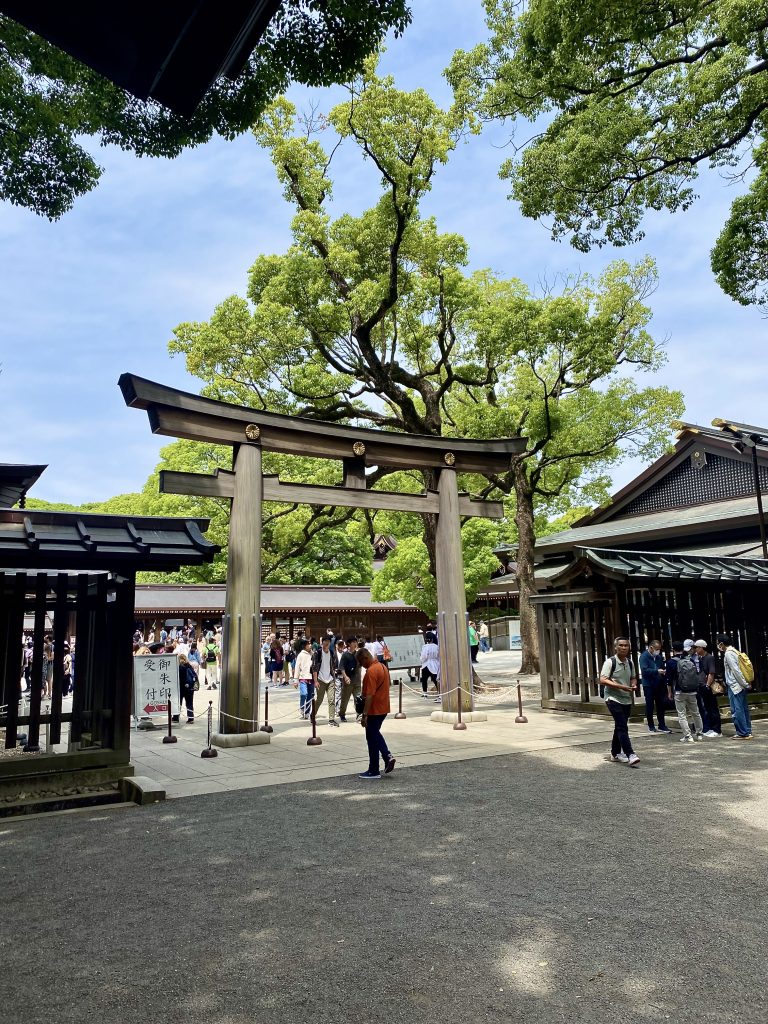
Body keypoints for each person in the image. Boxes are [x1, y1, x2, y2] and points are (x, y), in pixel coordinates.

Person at [600, 637, 640, 767]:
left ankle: (615, 753)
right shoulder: (610, 662)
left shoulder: (630, 662)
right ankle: (630, 754)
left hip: (626, 698)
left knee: (620, 725)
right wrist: (621, 687)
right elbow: (603, 679)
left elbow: (633, 677)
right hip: (613, 698)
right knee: (623, 726)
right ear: (616, 647)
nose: (624, 648)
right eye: (621, 645)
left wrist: (633, 685)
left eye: (626, 645)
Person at [356, 647, 395, 779]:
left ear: (365, 658)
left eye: (361, 662)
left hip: (374, 709)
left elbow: (370, 695)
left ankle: (380, 762)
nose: (361, 665)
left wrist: (364, 715)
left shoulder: (371, 671)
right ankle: (378, 764)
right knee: (374, 735)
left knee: (372, 736)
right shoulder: (383, 667)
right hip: (384, 706)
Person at [716, 634, 753, 740]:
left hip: (735, 685)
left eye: (718, 643)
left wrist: (744, 683)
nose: (718, 645)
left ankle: (742, 732)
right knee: (743, 708)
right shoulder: (735, 651)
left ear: (721, 643)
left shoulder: (728, 654)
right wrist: (745, 683)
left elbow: (736, 671)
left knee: (737, 710)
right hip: (740, 684)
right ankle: (747, 730)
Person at [665, 641, 704, 742]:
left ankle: (688, 736)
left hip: (679, 691)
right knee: (695, 712)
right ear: (683, 649)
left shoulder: (671, 662)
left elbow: (669, 680)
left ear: (673, 649)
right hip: (692, 690)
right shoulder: (689, 659)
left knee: (682, 714)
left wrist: (669, 692)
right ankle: (699, 733)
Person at [639, 639, 671, 734]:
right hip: (648, 684)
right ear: (651, 648)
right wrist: (656, 671)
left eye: (659, 649)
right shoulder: (644, 657)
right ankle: (651, 725)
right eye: (656, 649)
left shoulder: (659, 657)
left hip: (659, 683)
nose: (658, 651)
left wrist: (664, 672)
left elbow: (662, 667)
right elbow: (644, 671)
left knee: (661, 705)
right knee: (650, 705)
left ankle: (662, 724)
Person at [693, 639, 722, 737]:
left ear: (701, 647)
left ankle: (717, 729)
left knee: (713, 707)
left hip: (707, 686)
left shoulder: (709, 658)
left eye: (696, 647)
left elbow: (711, 673)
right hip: (702, 685)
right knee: (707, 707)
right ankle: (710, 727)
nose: (695, 649)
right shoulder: (700, 658)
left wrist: (707, 685)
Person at [311, 634, 339, 726]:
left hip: (330, 679)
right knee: (319, 699)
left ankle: (331, 719)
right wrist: (315, 681)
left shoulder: (331, 652)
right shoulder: (317, 653)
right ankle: (313, 716)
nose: (326, 643)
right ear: (322, 642)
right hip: (320, 679)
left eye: (328, 641)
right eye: (325, 641)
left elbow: (334, 665)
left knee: (331, 699)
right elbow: (314, 668)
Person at [338, 638, 362, 722]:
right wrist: (345, 677)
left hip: (357, 681)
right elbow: (341, 667)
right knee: (345, 700)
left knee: (358, 699)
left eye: (356, 642)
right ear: (349, 644)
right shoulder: (345, 655)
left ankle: (359, 715)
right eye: (353, 642)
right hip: (348, 681)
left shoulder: (358, 654)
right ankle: (342, 714)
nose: (355, 644)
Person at [294, 639, 314, 718]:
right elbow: (297, 667)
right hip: (303, 678)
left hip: (311, 678)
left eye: (310, 644)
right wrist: (295, 680)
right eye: (308, 644)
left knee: (310, 696)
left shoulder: (313, 654)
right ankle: (302, 707)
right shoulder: (300, 655)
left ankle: (307, 712)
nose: (310, 645)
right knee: (304, 694)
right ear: (304, 646)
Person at [420, 631, 440, 700]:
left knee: (424, 680)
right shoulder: (436, 647)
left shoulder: (425, 646)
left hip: (426, 664)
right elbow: (438, 656)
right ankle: (439, 694)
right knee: (436, 680)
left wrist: (422, 661)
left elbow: (423, 656)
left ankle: (425, 693)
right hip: (434, 664)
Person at [178, 653, 196, 724]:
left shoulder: (179, 667)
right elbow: (194, 675)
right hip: (190, 687)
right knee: (189, 703)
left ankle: (176, 717)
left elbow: (180, 678)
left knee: (179, 703)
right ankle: (191, 718)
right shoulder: (189, 666)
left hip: (181, 687)